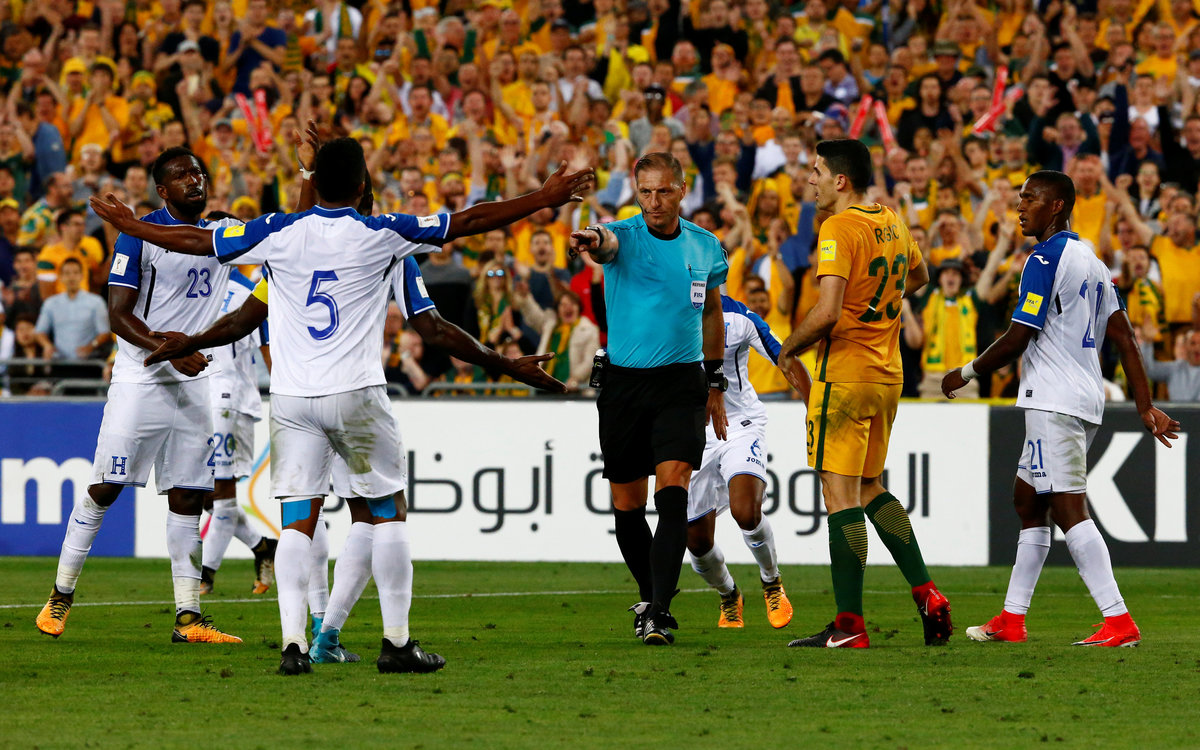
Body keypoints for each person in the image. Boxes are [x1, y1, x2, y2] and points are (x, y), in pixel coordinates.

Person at [91, 137, 594, 675]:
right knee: (387, 512)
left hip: (293, 400)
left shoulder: (278, 232)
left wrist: (133, 227)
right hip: (356, 395)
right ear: (360, 187)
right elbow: (469, 224)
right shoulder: (385, 235)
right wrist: (543, 200)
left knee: (296, 524)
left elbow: (199, 244)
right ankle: (396, 642)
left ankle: (295, 645)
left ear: (318, 183)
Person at [943, 170, 1179, 647]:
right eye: (1020, 198)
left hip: (1054, 399)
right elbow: (1124, 338)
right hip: (1080, 396)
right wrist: (1145, 406)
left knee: (1069, 508)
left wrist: (965, 372)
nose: (1020, 206)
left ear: (1057, 206)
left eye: (1030, 198)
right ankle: (1012, 618)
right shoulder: (1093, 261)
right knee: (1028, 501)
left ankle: (1118, 621)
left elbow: (1019, 336)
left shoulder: (1044, 258)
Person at [35, 148, 242, 645]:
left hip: (193, 380)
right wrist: (168, 351)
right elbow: (118, 315)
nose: (195, 179)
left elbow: (291, 232)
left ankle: (189, 617)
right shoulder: (137, 234)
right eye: (182, 175)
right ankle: (60, 595)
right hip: (142, 377)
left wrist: (306, 173)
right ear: (163, 190)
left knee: (189, 495)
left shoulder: (223, 233)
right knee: (107, 485)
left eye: (199, 172)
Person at [778, 139, 950, 649]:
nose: (810, 180)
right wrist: (879, 308)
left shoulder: (838, 227)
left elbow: (829, 311)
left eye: (816, 171)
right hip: (887, 374)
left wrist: (788, 348)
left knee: (839, 496)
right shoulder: (891, 220)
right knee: (870, 486)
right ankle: (927, 593)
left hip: (846, 375)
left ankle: (849, 626)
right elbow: (920, 274)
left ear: (840, 180)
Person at [568, 152, 730, 646]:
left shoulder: (706, 246)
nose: (654, 201)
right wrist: (591, 239)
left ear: (682, 190)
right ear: (636, 192)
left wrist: (716, 382)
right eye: (645, 192)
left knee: (674, 487)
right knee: (627, 502)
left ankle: (658, 611)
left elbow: (712, 314)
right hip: (624, 385)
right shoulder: (623, 235)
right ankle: (650, 597)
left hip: (681, 383)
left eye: (663, 191)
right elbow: (604, 242)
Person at [687, 294, 810, 629]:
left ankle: (772, 582)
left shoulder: (739, 316)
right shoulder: (666, 312)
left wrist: (813, 406)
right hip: (691, 433)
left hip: (739, 425)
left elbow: (784, 356)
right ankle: (729, 594)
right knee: (697, 543)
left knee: (746, 511)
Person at [198, 267, 278, 597]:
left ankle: (204, 576)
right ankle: (262, 547)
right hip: (198, 398)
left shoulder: (252, 292)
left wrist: (285, 398)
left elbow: (268, 347)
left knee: (221, 491)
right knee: (204, 495)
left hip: (228, 400)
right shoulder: (196, 286)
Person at [33, 257, 109, 362]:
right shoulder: (51, 303)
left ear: (82, 276)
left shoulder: (96, 302)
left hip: (88, 363)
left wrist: (91, 346)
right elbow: (39, 331)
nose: (71, 277)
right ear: (60, 277)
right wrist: (47, 345)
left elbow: (105, 332)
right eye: (67, 273)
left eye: (75, 273)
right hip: (59, 362)